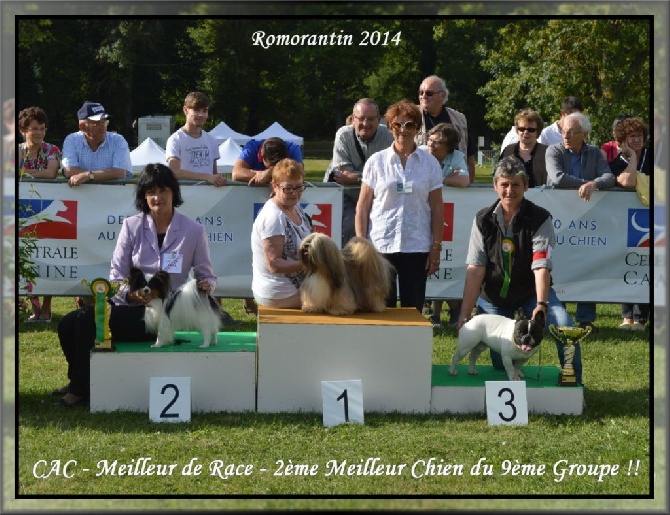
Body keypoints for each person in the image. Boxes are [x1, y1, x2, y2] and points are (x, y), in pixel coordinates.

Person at [55, 163, 217, 407]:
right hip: (129, 305)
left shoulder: (194, 230)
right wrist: (129, 296)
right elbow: (116, 274)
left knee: (87, 318)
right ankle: (79, 378)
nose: (157, 197)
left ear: (174, 193)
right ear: (143, 196)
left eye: (163, 190)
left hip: (164, 315)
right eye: (151, 191)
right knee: (68, 322)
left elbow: (208, 274)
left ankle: (80, 390)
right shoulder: (131, 226)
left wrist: (207, 285)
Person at [457, 156, 583, 385]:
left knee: (564, 323)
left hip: (531, 293)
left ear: (526, 186)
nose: (509, 190)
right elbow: (476, 268)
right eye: (504, 184)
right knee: (500, 358)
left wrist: (542, 306)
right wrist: (465, 314)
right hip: (494, 296)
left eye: (515, 184)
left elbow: (541, 265)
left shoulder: (540, 218)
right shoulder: (482, 219)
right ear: (495, 186)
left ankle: (574, 382)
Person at [356, 99, 444, 312]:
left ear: (417, 129)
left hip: (416, 246)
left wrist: (436, 247)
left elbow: (437, 208)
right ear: (390, 127)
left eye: (409, 125)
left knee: (412, 310)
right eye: (397, 125)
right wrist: (362, 245)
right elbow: (362, 207)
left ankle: (410, 347)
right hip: (380, 246)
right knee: (380, 307)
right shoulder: (376, 162)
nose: (403, 130)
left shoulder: (430, 163)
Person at [545, 111, 615, 332]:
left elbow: (609, 177)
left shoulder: (595, 152)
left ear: (584, 134)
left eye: (571, 132)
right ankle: (559, 314)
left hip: (587, 220)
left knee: (587, 262)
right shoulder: (554, 150)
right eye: (564, 131)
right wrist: (588, 183)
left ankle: (586, 319)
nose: (565, 135)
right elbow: (557, 178)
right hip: (558, 218)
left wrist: (595, 185)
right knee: (558, 263)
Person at [323, 98, 394, 244]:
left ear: (379, 119)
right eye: (361, 118)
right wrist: (372, 177)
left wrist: (357, 178)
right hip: (347, 195)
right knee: (350, 228)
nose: (366, 124)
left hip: (376, 196)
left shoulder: (389, 136)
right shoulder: (343, 135)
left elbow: (392, 173)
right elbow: (342, 173)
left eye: (371, 119)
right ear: (353, 118)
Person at [422, 123, 469, 328]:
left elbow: (464, 180)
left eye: (437, 142)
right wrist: (448, 178)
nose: (431, 145)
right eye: (430, 139)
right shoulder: (420, 153)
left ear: (448, 147)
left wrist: (437, 178)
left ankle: (450, 308)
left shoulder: (457, 157)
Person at [18, 106, 62, 322]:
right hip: (19, 214)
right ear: (23, 130)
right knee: (24, 260)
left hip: (46, 213)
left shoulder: (52, 150)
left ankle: (46, 307)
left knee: (46, 257)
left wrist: (26, 173)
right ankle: (33, 308)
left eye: (42, 129)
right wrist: (36, 174)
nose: (38, 133)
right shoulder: (13, 151)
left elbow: (52, 173)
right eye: (34, 129)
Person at [607, 116, 651, 331]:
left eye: (639, 136)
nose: (636, 140)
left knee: (644, 263)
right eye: (632, 137)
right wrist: (632, 157)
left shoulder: (655, 157)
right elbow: (627, 181)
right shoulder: (617, 162)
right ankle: (627, 316)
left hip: (650, 219)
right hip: (625, 220)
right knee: (627, 263)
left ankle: (641, 318)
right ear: (622, 141)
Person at [251, 158, 312, 308]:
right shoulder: (274, 217)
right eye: (288, 188)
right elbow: (275, 264)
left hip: (294, 285)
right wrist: (311, 265)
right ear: (275, 186)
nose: (294, 193)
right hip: (279, 292)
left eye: (299, 187)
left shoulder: (295, 207)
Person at [416, 75, 476, 183]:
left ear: (442, 95)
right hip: (421, 186)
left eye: (429, 93)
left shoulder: (460, 119)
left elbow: (469, 154)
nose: (423, 96)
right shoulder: (411, 117)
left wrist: (469, 184)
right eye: (421, 92)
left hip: (454, 187)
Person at [61, 101, 133, 186]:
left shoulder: (118, 140)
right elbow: (69, 171)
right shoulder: (72, 140)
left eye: (104, 122)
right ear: (82, 126)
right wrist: (104, 175)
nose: (103, 126)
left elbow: (120, 173)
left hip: (113, 197)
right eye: (97, 123)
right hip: (81, 197)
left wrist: (89, 176)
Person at [165, 91, 226, 186]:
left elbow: (213, 173)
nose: (201, 115)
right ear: (185, 110)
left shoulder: (212, 140)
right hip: (184, 196)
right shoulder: (175, 139)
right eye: (196, 110)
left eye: (204, 111)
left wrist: (218, 179)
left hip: (209, 197)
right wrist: (206, 176)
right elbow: (174, 172)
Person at [500, 108, 548, 188]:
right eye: (521, 129)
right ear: (517, 130)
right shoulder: (508, 151)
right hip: (512, 196)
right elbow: (499, 177)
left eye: (531, 130)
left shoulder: (547, 152)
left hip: (541, 197)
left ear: (538, 131)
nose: (526, 132)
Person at [232, 136, 303, 186]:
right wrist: (259, 176)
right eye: (271, 166)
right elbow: (236, 173)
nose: (275, 168)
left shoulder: (293, 148)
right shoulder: (252, 147)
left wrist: (269, 173)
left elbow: (299, 174)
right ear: (262, 155)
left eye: (278, 166)